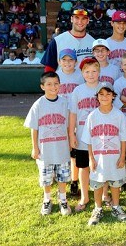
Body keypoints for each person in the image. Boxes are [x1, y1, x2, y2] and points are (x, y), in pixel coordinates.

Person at [81, 82, 126, 225]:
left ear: (113, 96)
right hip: (98, 157)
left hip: (115, 157)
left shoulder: (119, 115)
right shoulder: (92, 116)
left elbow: (123, 138)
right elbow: (89, 140)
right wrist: (91, 158)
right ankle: (98, 208)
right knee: (98, 184)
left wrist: (122, 157)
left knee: (115, 184)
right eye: (101, 94)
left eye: (108, 94)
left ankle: (116, 206)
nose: (105, 97)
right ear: (97, 96)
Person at [23, 72, 72, 216]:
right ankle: (47, 199)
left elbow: (69, 125)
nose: (53, 87)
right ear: (42, 86)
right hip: (45, 150)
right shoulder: (38, 104)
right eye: (49, 84)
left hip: (61, 147)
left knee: (63, 176)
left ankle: (63, 199)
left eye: (56, 83)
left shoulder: (64, 103)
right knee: (46, 178)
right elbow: (34, 128)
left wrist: (70, 141)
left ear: (60, 85)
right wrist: (35, 147)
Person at [69, 57, 100, 213]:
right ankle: (84, 196)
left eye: (94, 71)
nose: (91, 74)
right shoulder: (78, 91)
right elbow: (73, 114)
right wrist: (71, 134)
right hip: (82, 135)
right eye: (87, 71)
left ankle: (104, 196)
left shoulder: (104, 88)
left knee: (101, 165)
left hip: (101, 136)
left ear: (99, 72)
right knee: (83, 166)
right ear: (82, 73)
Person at [55, 49, 84, 196]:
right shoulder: (55, 76)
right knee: (61, 152)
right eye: (64, 60)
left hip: (75, 119)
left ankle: (74, 181)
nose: (67, 63)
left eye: (70, 60)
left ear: (76, 62)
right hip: (59, 119)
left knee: (74, 153)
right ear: (59, 62)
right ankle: (61, 179)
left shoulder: (80, 77)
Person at [42, 6, 95, 72]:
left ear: (87, 21)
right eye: (77, 18)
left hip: (86, 81)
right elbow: (49, 69)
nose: (80, 21)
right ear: (71, 19)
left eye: (83, 18)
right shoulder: (57, 41)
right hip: (63, 81)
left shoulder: (93, 42)